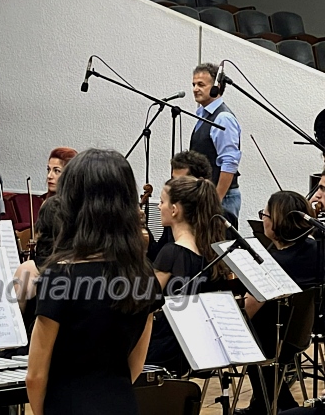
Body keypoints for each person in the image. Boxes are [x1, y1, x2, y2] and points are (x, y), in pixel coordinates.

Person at [26, 150, 162, 415]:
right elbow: (135, 363)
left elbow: (35, 375)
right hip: (121, 404)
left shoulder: (60, 276)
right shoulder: (143, 274)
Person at [237, 191, 319, 415]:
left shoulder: (273, 264)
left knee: (249, 339)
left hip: (272, 341)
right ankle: (263, 406)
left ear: (276, 223)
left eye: (264, 215)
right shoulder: (316, 250)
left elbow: (247, 312)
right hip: (300, 336)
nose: (262, 219)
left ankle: (279, 407)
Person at [145, 176, 227, 376]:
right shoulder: (210, 251)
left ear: (174, 210)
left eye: (162, 202)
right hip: (192, 347)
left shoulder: (171, 252)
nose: (159, 207)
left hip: (163, 348)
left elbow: (145, 301)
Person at [190, 63, 242, 219]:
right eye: (193, 84)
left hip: (221, 198)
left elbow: (229, 162)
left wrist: (216, 201)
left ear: (216, 87)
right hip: (207, 195)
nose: (195, 89)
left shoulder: (223, 118)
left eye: (201, 85)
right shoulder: (204, 115)